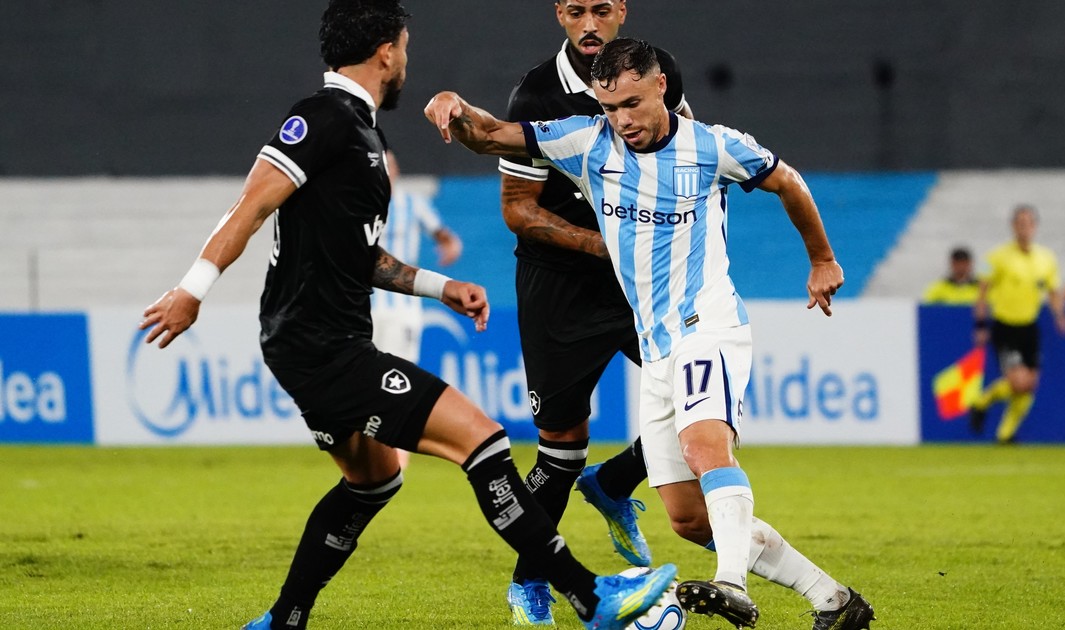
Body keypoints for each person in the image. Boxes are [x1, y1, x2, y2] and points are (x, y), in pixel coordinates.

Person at [138, 5, 675, 630]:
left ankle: (283, 620)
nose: (406, 61)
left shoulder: (362, 134)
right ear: (386, 52)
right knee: (482, 441)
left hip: (317, 344)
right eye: (406, 48)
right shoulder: (321, 118)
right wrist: (192, 290)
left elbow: (359, 255)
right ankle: (589, 598)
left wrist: (440, 287)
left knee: (375, 480)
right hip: (321, 347)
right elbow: (250, 206)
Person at [425, 37, 875, 630]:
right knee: (687, 518)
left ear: (661, 86)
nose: (623, 120)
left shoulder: (713, 146)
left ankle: (731, 584)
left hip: (708, 325)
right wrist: (454, 105)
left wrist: (822, 259)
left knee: (705, 447)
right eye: (610, 107)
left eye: (632, 104)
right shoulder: (586, 143)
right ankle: (833, 600)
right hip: (657, 345)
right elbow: (490, 135)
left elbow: (787, 181)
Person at [496, 1, 693, 624]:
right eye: (577, 10)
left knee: (705, 399)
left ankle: (615, 482)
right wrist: (603, 242)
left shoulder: (657, 73)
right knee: (561, 450)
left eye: (601, 10)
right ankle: (530, 581)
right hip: (558, 288)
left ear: (621, 10)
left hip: (640, 282)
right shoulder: (535, 95)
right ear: (559, 13)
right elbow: (517, 208)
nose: (589, 25)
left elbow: (684, 156)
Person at [372, 151, 462, 471]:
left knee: (399, 376)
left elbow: (445, 235)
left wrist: (449, 246)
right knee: (366, 378)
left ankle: (399, 448)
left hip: (401, 308)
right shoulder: (358, 203)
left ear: (396, 171)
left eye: (389, 166)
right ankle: (369, 448)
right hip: (363, 307)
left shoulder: (412, 204)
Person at [970, 205, 1065, 444]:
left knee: (1030, 385)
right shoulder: (994, 257)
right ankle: (982, 401)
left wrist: (1060, 315)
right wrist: (980, 325)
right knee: (1019, 381)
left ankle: (1005, 435)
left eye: (1028, 223)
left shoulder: (1047, 258)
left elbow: (1053, 291)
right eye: (1020, 223)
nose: (1024, 228)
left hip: (1029, 327)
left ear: (1035, 226)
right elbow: (981, 293)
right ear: (1013, 226)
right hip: (1005, 326)